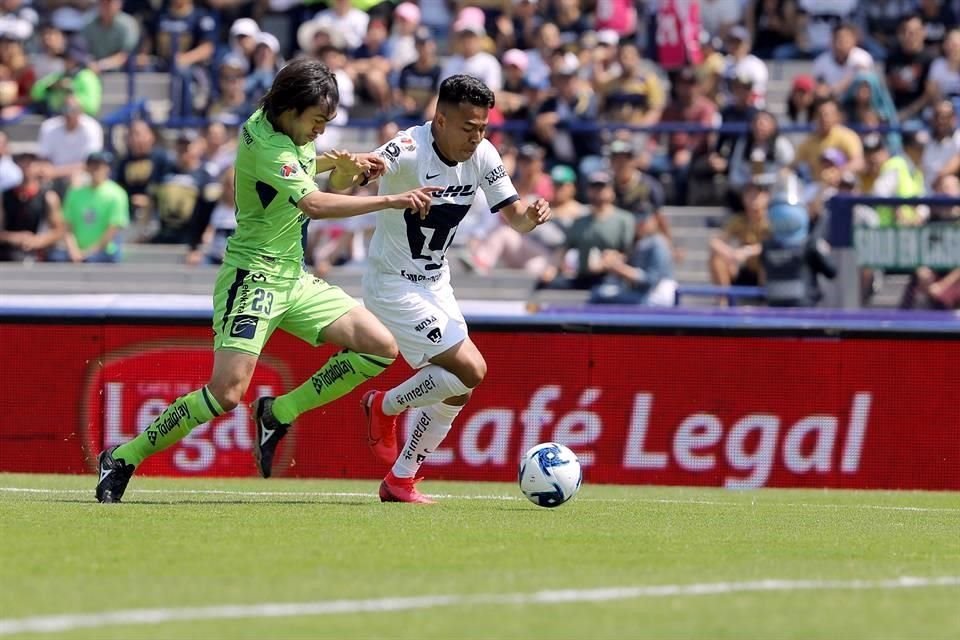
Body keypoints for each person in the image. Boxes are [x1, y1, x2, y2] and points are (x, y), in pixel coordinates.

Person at [94, 58, 438, 503]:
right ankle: (123, 456)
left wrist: (351, 170)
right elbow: (313, 204)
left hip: (292, 277)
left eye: (326, 122)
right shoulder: (267, 144)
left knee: (379, 347)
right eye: (317, 121)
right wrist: (390, 199)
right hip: (253, 277)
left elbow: (320, 181)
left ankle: (278, 412)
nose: (320, 130)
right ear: (291, 108)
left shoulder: (286, 129)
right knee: (226, 393)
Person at [344, 75, 552, 503]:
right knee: (471, 369)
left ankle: (400, 480)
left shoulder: (484, 155)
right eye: (468, 127)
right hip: (392, 284)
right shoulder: (409, 147)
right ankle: (383, 406)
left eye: (483, 128)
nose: (477, 137)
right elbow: (375, 164)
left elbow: (514, 217)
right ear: (439, 119)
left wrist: (532, 215)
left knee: (459, 386)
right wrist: (363, 168)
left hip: (437, 285)